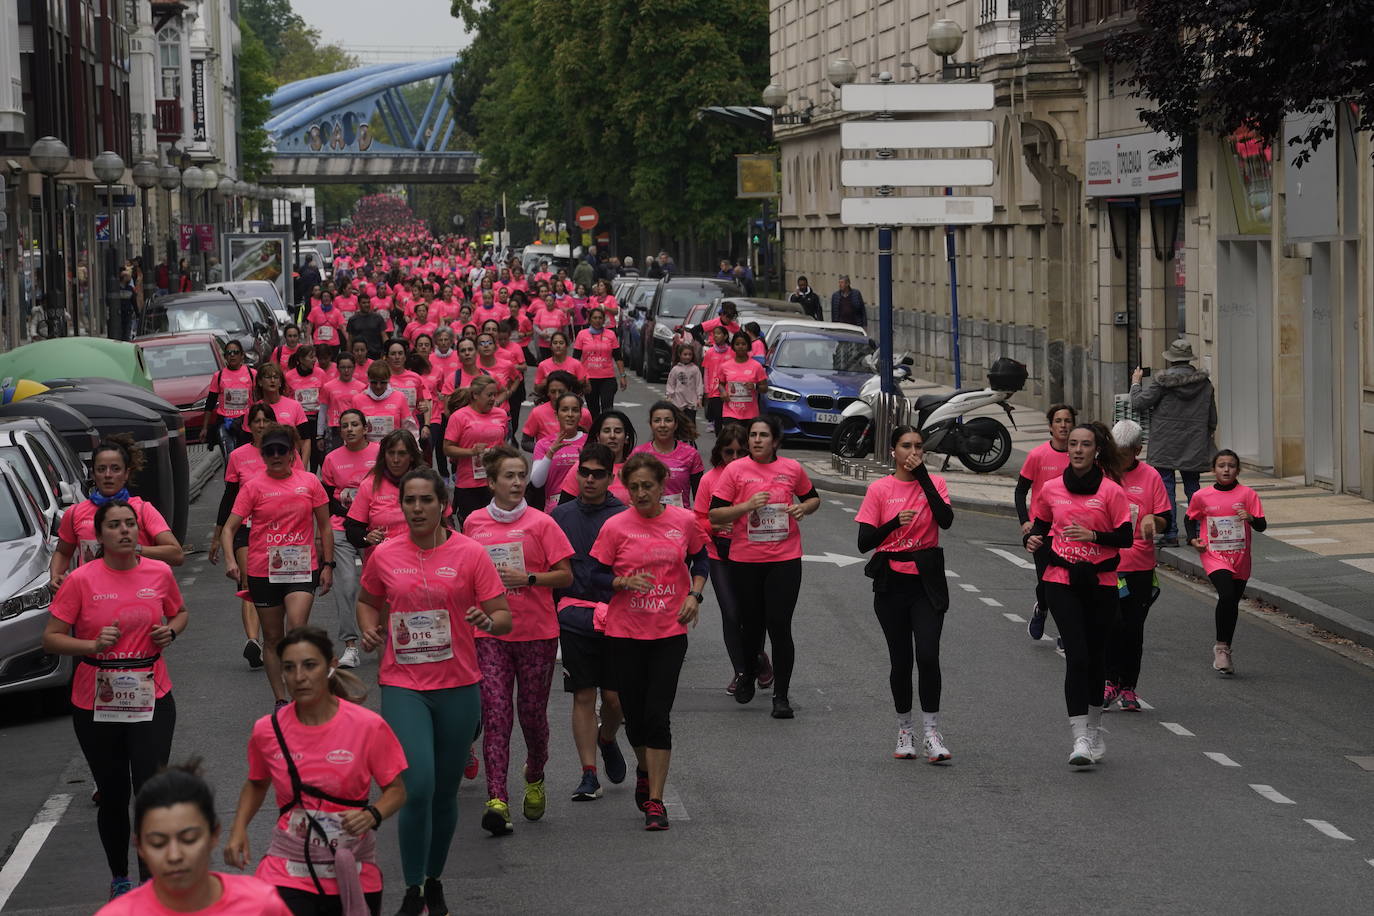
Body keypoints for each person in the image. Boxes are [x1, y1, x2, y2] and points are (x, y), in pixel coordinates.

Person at [355, 469, 511, 914]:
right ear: (401, 505)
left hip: (459, 685)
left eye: (426, 500)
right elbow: (368, 601)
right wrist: (368, 629)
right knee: (417, 786)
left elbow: (503, 617)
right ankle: (412, 888)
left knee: (444, 793)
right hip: (404, 684)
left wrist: (486, 622)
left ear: (444, 505)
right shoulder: (385, 554)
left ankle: (434, 878)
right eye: (410, 501)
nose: (418, 509)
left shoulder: (470, 554)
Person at [43, 499, 189, 900]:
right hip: (95, 699)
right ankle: (120, 874)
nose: (124, 531)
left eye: (130, 525)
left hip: (152, 693)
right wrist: (92, 642)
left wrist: (170, 632)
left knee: (149, 789)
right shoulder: (81, 580)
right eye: (115, 526)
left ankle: (150, 878)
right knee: (113, 794)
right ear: (100, 535)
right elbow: (51, 637)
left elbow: (179, 613)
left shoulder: (159, 573)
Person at [224, 628, 407, 916]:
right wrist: (238, 830)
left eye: (310, 665)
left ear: (331, 665)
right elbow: (257, 783)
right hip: (287, 868)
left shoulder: (367, 726)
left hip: (352, 868)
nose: (299, 676)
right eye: (289, 668)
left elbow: (396, 790)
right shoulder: (267, 730)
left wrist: (372, 815)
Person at [590, 454, 708, 830]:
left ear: (662, 487)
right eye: (634, 486)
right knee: (635, 719)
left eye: (648, 486)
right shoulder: (615, 526)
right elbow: (593, 576)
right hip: (625, 634)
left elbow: (702, 561)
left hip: (668, 633)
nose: (641, 493)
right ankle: (643, 767)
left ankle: (655, 801)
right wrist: (620, 583)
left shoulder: (683, 521)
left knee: (658, 716)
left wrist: (694, 595)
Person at [464, 446, 575, 835]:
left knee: (532, 718)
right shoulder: (473, 523)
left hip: (536, 633)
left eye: (520, 475)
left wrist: (528, 579)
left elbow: (565, 576)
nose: (515, 482)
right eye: (507, 476)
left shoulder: (543, 523)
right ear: (491, 482)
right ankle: (497, 799)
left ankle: (536, 772)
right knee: (496, 715)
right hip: (490, 632)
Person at [1023, 422, 1132, 767]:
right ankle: (1079, 737)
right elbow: (1039, 526)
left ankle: (1096, 727)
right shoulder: (1052, 489)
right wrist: (1032, 539)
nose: (1078, 450)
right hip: (1061, 579)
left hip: (1100, 581)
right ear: (1067, 448)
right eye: (1073, 444)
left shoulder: (1111, 491)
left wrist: (1093, 537)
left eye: (1085, 444)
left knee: (1096, 657)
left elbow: (1126, 538)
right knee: (1077, 656)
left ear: (1097, 450)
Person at [708, 414, 821, 719]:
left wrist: (802, 508)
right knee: (751, 626)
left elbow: (813, 499)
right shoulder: (735, 470)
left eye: (763, 435)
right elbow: (715, 515)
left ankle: (781, 696)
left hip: (784, 558)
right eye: (753, 435)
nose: (757, 440)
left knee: (780, 626)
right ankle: (747, 674)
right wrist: (746, 506)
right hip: (745, 560)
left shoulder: (791, 469)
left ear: (776, 441)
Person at [855, 426, 955, 762]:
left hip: (926, 581)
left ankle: (931, 733)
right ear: (893, 451)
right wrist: (894, 523)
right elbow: (864, 543)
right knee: (901, 661)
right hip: (891, 584)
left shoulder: (935, 484)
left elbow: (946, 520)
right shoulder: (880, 490)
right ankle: (904, 731)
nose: (913, 452)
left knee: (927, 655)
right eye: (906, 446)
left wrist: (924, 476)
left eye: (918, 447)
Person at [221, 424, 334, 706]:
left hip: (300, 568)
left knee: (296, 630)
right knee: (272, 639)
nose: (275, 456)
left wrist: (328, 563)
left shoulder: (309, 482)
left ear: (291, 453)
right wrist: (231, 559)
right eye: (269, 451)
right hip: (263, 571)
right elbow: (229, 528)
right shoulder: (253, 487)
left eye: (280, 450)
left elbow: (325, 525)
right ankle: (281, 699)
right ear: (262, 455)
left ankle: (303, 693)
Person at [94, 761, 291, 915]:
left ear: (214, 834)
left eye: (188, 839)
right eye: (158, 843)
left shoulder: (262, 905)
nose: (174, 855)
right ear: (140, 846)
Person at [551, 443, 629, 802]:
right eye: (585, 472)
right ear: (577, 473)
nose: (591, 479)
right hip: (574, 617)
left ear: (611, 478)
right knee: (583, 695)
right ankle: (588, 773)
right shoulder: (560, 516)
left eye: (599, 474)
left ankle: (608, 738)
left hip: (617, 617)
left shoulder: (624, 517)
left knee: (613, 700)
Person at [693, 424, 772, 695]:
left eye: (741, 452)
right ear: (719, 452)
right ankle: (741, 671)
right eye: (729, 452)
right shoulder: (709, 479)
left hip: (753, 554)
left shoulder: (760, 476)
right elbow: (699, 518)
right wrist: (715, 527)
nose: (735, 458)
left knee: (753, 614)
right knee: (731, 613)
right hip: (721, 554)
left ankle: (757, 658)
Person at [50, 436, 184, 588]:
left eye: (115, 469)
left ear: (126, 473)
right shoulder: (75, 513)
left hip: (137, 594)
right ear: (93, 474)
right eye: (101, 469)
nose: (108, 475)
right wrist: (55, 575)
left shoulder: (142, 509)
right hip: (93, 598)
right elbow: (63, 552)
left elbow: (176, 554)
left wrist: (135, 549)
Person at [1104, 420, 1171, 709]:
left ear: (1137, 451)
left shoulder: (1151, 476)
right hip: (1108, 565)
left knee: (1133, 629)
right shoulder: (1102, 475)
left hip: (1140, 566)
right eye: (1115, 452)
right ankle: (1109, 681)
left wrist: (1152, 521)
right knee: (1111, 625)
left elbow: (1166, 518)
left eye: (1125, 453)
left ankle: (1129, 687)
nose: (1119, 459)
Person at [1130, 339, 1218, 547]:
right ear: (1189, 359)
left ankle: (1170, 533)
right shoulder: (1204, 383)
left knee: (1166, 487)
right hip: (1194, 441)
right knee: (1193, 487)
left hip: (1165, 442)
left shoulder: (1162, 382)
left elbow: (1139, 403)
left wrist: (1136, 383)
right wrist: (1204, 434)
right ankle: (1196, 531)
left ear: (1171, 360)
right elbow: (1212, 417)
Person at [1185, 449, 1266, 675]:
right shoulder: (1202, 496)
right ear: (1214, 470)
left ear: (1237, 470)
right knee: (1227, 595)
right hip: (1214, 555)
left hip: (1240, 557)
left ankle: (1226, 649)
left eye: (1231, 465)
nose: (1226, 469)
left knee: (1232, 602)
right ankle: (1221, 648)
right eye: (1221, 465)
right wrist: (1193, 539)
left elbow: (1261, 525)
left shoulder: (1248, 495)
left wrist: (1250, 518)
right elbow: (1189, 518)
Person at [319, 409, 379, 670]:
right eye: (345, 426)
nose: (350, 429)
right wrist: (351, 512)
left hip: (374, 530)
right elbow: (328, 499)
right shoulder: (331, 459)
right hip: (342, 528)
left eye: (355, 424)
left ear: (365, 428)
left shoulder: (379, 453)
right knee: (345, 585)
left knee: (379, 586)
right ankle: (350, 646)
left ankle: (381, 636)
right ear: (340, 430)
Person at [1017, 404, 1078, 641]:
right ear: (1050, 426)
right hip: (1042, 530)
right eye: (1058, 421)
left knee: (1070, 583)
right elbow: (1021, 490)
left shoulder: (1079, 456)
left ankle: (1066, 631)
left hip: (1070, 531)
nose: (1063, 425)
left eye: (1067, 421)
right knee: (1047, 583)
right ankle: (1041, 608)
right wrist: (1025, 521)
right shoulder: (1037, 455)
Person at [444, 376, 511, 521]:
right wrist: (472, 452)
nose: (494, 399)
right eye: (489, 395)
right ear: (475, 395)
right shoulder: (459, 417)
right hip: (469, 483)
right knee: (473, 527)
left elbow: (502, 442)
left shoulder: (501, 414)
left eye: (495, 394)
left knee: (496, 526)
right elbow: (447, 449)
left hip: (495, 481)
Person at [630, 400, 704, 507]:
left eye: (668, 420)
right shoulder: (638, 454)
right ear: (651, 424)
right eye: (657, 420)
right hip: (647, 519)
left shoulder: (691, 454)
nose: (662, 425)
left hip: (679, 520)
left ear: (675, 424)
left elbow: (699, 496)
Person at [559, 410, 636, 505]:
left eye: (618, 431)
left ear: (626, 438)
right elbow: (565, 508)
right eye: (606, 431)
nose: (612, 436)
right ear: (598, 437)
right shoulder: (582, 467)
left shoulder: (635, 469)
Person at [530, 392, 589, 512]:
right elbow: (536, 482)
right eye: (565, 410)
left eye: (575, 410)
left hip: (585, 507)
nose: (570, 415)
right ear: (557, 415)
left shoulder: (590, 442)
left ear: (580, 415)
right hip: (555, 509)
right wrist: (550, 453)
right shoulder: (543, 444)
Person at [204, 341, 256, 463]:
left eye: (236, 352)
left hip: (246, 422)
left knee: (246, 458)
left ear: (242, 355)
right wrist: (205, 428)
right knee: (230, 458)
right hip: (225, 422)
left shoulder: (252, 374)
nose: (232, 355)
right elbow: (210, 402)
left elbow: (259, 398)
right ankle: (231, 481)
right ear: (225, 356)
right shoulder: (219, 376)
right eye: (229, 353)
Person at [254, 362, 312, 467]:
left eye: (276, 377)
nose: (272, 381)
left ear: (280, 382)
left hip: (292, 466)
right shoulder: (254, 410)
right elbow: (250, 444)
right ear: (260, 382)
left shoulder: (295, 406)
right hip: (264, 466)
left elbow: (305, 440)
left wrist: (302, 467)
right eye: (268, 377)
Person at [573, 307, 627, 416]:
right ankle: (595, 432)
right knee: (593, 411)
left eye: (600, 318)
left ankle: (606, 430)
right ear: (590, 319)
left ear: (604, 320)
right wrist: (576, 379)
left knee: (607, 409)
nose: (597, 320)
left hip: (607, 378)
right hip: (589, 380)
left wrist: (622, 376)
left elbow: (618, 357)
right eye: (595, 318)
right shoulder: (582, 334)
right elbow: (575, 359)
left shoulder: (611, 334)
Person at [520, 371, 592, 450]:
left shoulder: (584, 414)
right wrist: (547, 450)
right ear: (548, 392)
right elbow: (525, 442)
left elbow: (591, 441)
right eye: (553, 392)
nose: (557, 396)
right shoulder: (537, 413)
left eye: (561, 392)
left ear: (569, 390)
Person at [352, 361, 414, 442]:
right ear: (368, 379)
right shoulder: (357, 400)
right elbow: (352, 429)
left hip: (393, 450)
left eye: (383, 382)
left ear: (389, 379)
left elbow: (409, 427)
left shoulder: (400, 397)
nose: (378, 386)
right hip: (366, 449)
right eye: (374, 382)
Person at [717, 331, 767, 423]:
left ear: (748, 346)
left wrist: (755, 386)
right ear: (733, 346)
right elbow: (721, 384)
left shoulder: (756, 366)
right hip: (730, 412)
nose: (740, 346)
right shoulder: (725, 366)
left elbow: (765, 388)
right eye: (737, 344)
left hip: (750, 414)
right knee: (731, 437)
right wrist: (723, 392)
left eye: (743, 344)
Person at [665, 344, 703, 423]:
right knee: (678, 423)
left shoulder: (695, 369)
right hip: (678, 401)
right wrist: (669, 396)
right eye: (685, 354)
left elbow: (699, 384)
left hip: (691, 402)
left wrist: (699, 398)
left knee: (690, 424)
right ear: (679, 355)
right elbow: (671, 383)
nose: (687, 357)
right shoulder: (675, 369)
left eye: (690, 354)